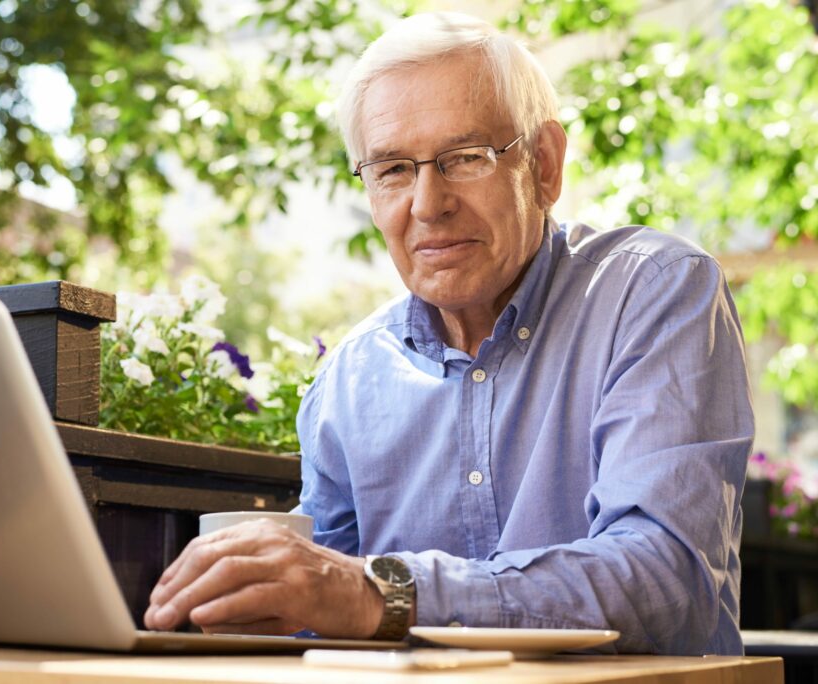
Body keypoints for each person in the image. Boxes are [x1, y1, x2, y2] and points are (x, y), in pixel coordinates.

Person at [144, 12, 753, 655]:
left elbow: (662, 580)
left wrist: (384, 594)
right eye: (393, 170)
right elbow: (323, 613)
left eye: (465, 158)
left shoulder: (655, 291)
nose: (428, 205)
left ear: (544, 165)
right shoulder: (348, 380)